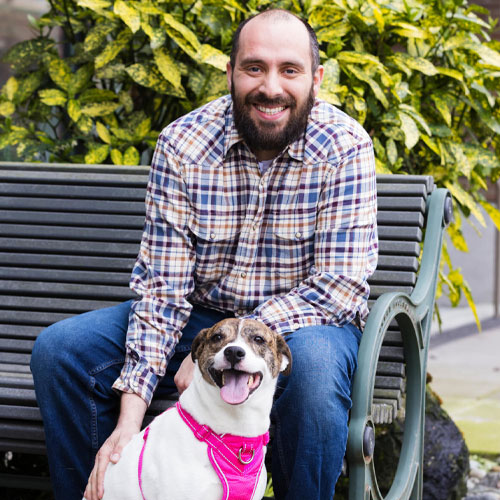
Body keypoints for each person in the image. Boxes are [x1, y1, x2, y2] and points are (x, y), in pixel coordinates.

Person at [31, 8, 378, 500]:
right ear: (231, 72)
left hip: (309, 326)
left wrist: (232, 342)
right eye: (254, 67)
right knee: (62, 351)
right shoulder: (184, 143)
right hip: (197, 318)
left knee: (316, 374)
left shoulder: (345, 147)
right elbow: (163, 288)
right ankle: (103, 486)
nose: (271, 87)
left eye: (290, 70)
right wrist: (130, 420)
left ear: (316, 79)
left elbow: (337, 288)